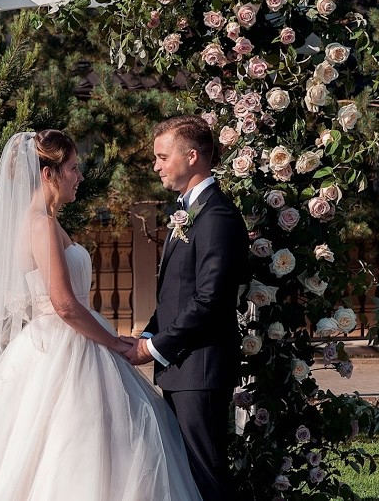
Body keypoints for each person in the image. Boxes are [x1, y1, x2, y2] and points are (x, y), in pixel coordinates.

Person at [0, 130, 202, 500]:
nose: (79, 176)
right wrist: (115, 342)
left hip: (61, 341)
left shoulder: (46, 221)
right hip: (64, 346)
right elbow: (64, 305)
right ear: (48, 174)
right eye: (73, 168)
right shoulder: (41, 224)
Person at [122, 115, 250, 500]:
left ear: (192, 156)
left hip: (200, 369)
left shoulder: (216, 216)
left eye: (162, 157)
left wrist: (154, 347)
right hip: (183, 368)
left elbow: (210, 299)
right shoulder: (190, 212)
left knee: (206, 476)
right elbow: (175, 295)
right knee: (189, 475)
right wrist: (147, 334)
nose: (155, 166)